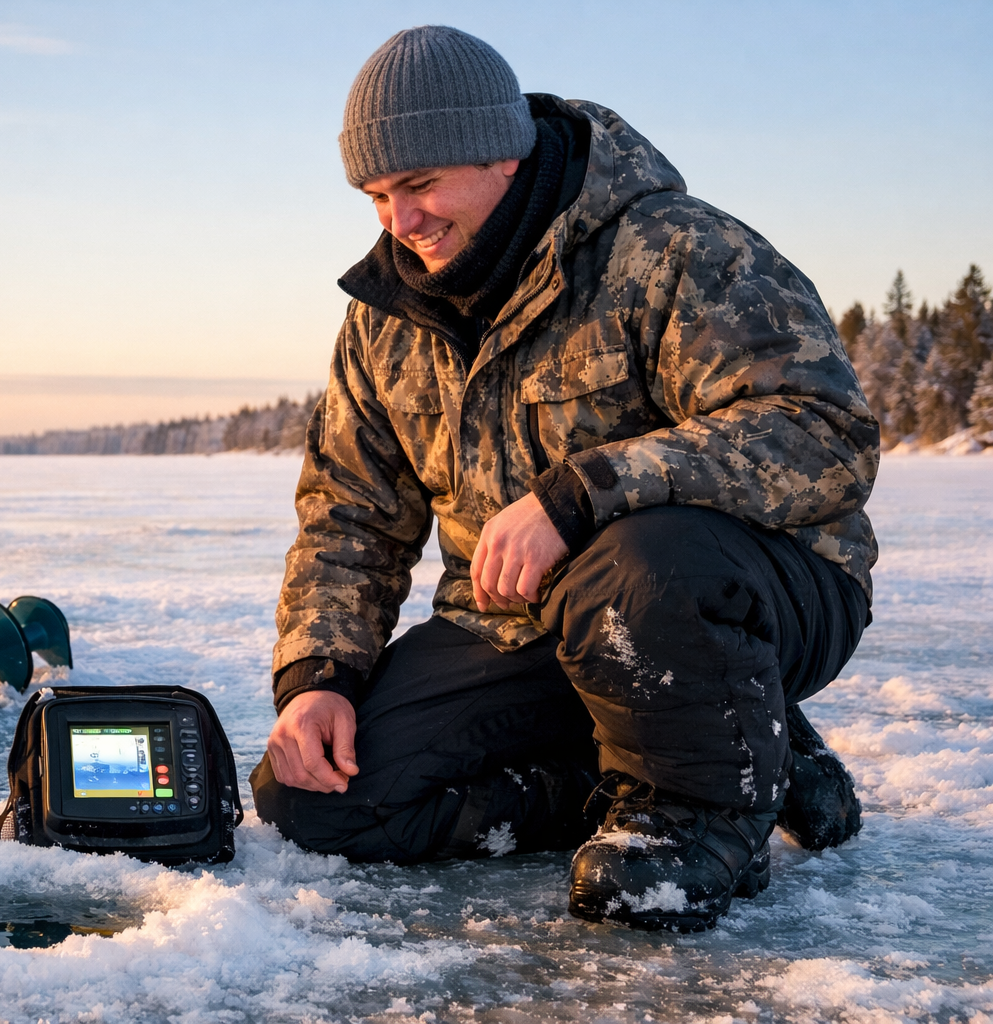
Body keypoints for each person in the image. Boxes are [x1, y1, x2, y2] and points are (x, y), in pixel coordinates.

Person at [249, 25, 875, 933]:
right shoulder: (384, 321)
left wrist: (584, 492)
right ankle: (707, 752)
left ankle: (695, 814)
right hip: (521, 622)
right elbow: (350, 515)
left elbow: (824, 435)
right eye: (377, 194)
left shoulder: (670, 250)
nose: (400, 222)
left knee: (637, 555)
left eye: (420, 185)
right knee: (320, 802)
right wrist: (319, 677)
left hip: (748, 595)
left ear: (501, 153)